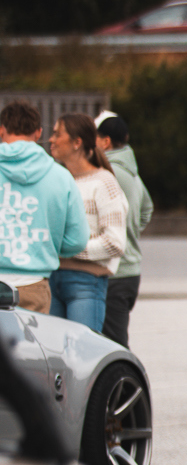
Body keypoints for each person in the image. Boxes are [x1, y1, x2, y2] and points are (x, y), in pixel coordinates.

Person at [0, 100, 87, 313]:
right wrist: (46, 244)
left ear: (1, 130)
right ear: (38, 133)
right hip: (33, 284)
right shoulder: (61, 177)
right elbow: (77, 240)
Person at [48, 113, 126, 333]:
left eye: (57, 134)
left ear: (77, 142)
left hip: (86, 282)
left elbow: (115, 243)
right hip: (51, 280)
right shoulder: (57, 180)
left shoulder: (104, 182)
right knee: (53, 351)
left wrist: (68, 251)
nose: (51, 140)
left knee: (82, 350)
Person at [95, 114, 154, 347]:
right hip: (131, 271)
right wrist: (130, 231)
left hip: (116, 273)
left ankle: (126, 373)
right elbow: (147, 208)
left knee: (114, 345)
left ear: (106, 141)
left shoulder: (109, 173)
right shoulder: (131, 172)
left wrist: (119, 234)